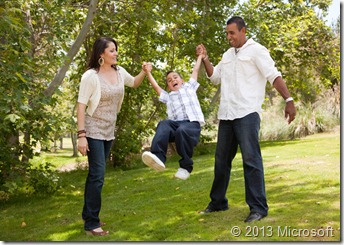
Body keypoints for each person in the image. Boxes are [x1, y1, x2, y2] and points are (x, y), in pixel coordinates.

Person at [196, 16, 296, 222]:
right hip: (226, 115)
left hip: (247, 114)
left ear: (243, 31)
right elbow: (215, 78)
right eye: (227, 33)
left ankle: (258, 208)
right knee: (221, 161)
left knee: (251, 160)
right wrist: (205, 59)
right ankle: (218, 202)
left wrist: (289, 99)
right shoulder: (227, 55)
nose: (228, 37)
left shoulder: (257, 50)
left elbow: (273, 75)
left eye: (232, 33)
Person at [77, 37, 149, 236]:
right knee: (97, 175)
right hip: (92, 130)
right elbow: (81, 105)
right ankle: (92, 223)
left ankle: (88, 215)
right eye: (112, 51)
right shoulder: (91, 76)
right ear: (101, 54)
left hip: (109, 130)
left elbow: (133, 83)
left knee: (96, 175)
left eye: (116, 50)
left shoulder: (119, 72)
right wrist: (81, 135)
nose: (116, 53)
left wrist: (144, 71)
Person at [141, 54, 205, 180]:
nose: (173, 80)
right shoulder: (168, 96)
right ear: (169, 86)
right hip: (176, 126)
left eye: (175, 77)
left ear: (182, 80)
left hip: (192, 124)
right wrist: (148, 72)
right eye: (169, 81)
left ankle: (186, 167)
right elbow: (156, 87)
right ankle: (158, 157)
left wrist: (200, 56)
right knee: (164, 123)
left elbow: (195, 70)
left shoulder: (189, 87)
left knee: (182, 130)